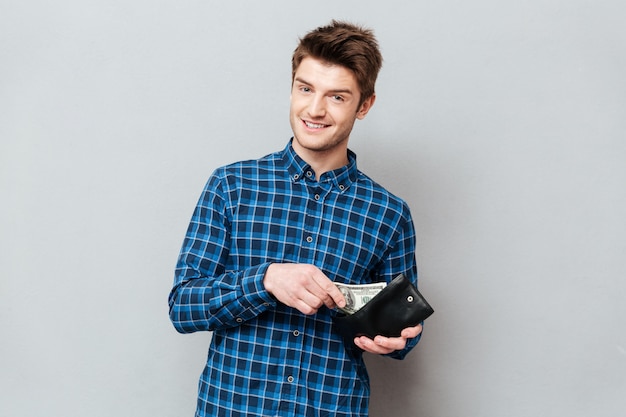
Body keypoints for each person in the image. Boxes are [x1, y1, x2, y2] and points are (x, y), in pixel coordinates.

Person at [168, 20, 424, 417]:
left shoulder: (389, 214)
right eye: (305, 89)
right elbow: (183, 306)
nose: (315, 109)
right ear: (292, 88)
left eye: (337, 97)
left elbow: (399, 328)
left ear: (364, 105)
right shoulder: (232, 185)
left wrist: (401, 337)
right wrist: (266, 280)